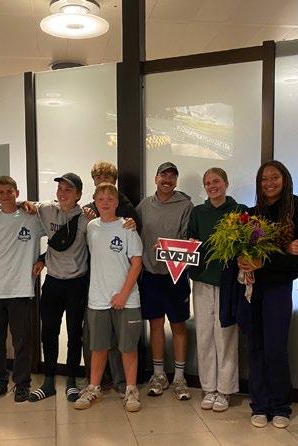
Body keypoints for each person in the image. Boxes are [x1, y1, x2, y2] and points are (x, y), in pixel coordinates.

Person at [238, 160, 298, 429]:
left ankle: (280, 406)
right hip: (253, 288)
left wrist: (263, 261)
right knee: (255, 346)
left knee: (275, 348)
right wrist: (244, 260)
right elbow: (245, 252)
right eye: (264, 179)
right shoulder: (250, 214)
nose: (269, 183)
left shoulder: (297, 211)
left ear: (284, 179)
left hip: (278, 288)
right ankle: (259, 405)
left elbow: (296, 260)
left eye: (274, 177)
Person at [75, 183, 143, 412]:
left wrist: (123, 294)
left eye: (110, 198)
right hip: (98, 299)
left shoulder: (127, 227)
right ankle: (94, 388)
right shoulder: (91, 227)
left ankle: (131, 390)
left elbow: (137, 263)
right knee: (98, 347)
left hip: (127, 299)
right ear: (95, 201)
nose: (105, 202)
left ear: (117, 202)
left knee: (128, 348)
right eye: (101, 198)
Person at [0, 176, 44, 403]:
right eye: (1, 192)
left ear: (17, 192)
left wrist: (43, 259)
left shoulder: (32, 216)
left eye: (10, 191)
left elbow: (58, 233)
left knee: (22, 341)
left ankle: (22, 383)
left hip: (22, 289)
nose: (6, 195)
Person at [27, 172, 91, 403]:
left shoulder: (86, 219)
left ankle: (71, 381)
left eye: (68, 190)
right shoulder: (46, 209)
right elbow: (20, 204)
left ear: (78, 195)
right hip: (53, 282)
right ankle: (49, 381)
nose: (63, 193)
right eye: (60, 189)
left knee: (74, 334)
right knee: (49, 332)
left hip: (77, 283)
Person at [187, 167, 246, 412]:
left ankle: (225, 390)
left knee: (226, 336)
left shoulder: (239, 211)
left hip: (228, 283)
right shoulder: (198, 212)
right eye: (208, 183)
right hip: (202, 280)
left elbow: (245, 245)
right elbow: (190, 242)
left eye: (217, 181)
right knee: (204, 336)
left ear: (226, 183)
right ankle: (209, 388)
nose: (212, 186)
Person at [136, 161, 194, 400]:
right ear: (156, 178)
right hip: (150, 274)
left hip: (176, 276)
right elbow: (133, 233)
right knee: (156, 324)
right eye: (163, 175)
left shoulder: (186, 205)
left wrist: (169, 249)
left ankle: (179, 377)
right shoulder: (144, 206)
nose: (167, 180)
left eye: (172, 176)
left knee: (178, 326)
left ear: (176, 181)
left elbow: (189, 240)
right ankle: (158, 374)